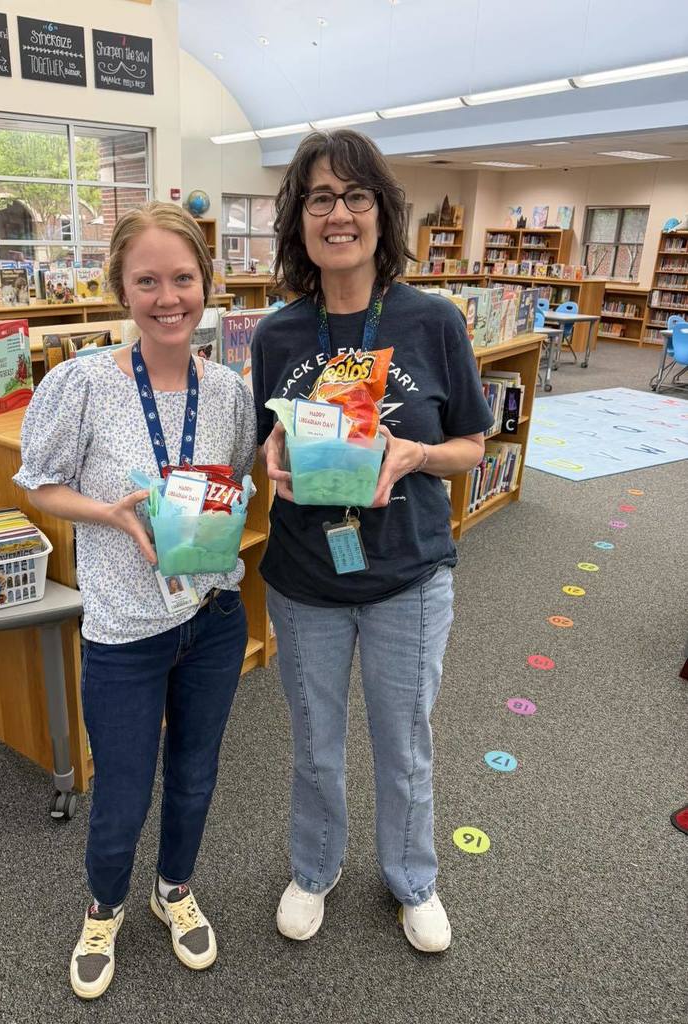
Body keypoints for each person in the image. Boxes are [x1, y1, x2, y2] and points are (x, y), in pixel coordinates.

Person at [251, 129, 494, 953]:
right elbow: (265, 440)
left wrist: (417, 453)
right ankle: (313, 869)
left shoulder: (431, 321)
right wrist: (268, 453)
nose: (339, 213)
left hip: (406, 576)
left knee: (404, 743)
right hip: (304, 576)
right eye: (319, 198)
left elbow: (472, 446)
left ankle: (410, 879)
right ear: (300, 219)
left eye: (356, 196)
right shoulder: (279, 334)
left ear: (383, 215)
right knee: (316, 746)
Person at [14, 203, 256, 998]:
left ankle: (174, 890)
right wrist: (109, 511)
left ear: (205, 285)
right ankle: (104, 906)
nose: (167, 298)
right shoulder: (79, 382)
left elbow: (239, 474)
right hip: (124, 626)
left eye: (182, 278)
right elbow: (39, 485)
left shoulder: (227, 388)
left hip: (214, 617)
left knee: (194, 773)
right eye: (146, 280)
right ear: (122, 287)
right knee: (121, 785)